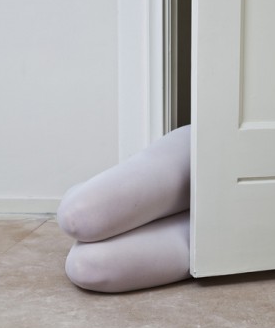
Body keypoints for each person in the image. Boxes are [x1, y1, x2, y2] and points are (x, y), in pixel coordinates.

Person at [57, 125, 191, 292]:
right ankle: (77, 192)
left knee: (89, 267)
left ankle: (77, 191)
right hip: (214, 137)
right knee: (79, 216)